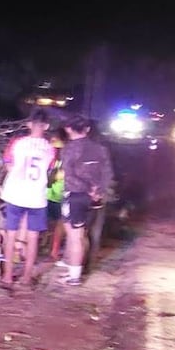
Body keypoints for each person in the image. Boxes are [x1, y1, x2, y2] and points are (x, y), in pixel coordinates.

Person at [0, 109, 56, 288]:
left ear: (29, 124)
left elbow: (8, 165)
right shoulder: (51, 148)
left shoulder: (17, 143)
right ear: (46, 126)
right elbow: (49, 171)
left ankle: (7, 276)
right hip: (36, 197)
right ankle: (26, 277)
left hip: (15, 194)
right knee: (33, 237)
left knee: (11, 235)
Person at [60, 115, 114, 286]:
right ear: (87, 129)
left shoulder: (69, 149)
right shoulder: (100, 149)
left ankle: (74, 276)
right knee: (83, 234)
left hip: (76, 195)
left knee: (74, 236)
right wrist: (98, 190)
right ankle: (75, 270)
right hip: (95, 199)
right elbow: (108, 174)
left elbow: (70, 175)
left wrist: (87, 188)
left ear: (68, 129)